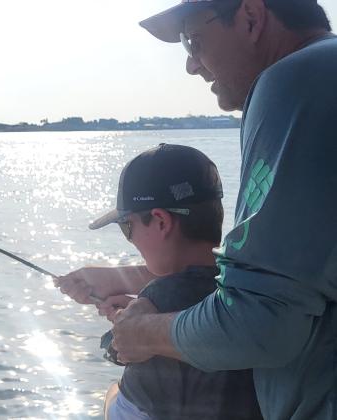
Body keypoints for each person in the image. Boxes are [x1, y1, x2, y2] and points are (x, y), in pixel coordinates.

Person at [57, 0, 337, 419]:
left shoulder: (294, 80)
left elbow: (261, 322)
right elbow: (299, 280)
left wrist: (143, 335)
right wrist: (139, 286)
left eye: (194, 41)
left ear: (250, 17)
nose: (191, 65)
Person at [82, 143, 263, 420]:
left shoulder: (157, 303)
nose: (129, 239)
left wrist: (113, 391)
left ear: (161, 221)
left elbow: (123, 414)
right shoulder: (257, 287)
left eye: (126, 226)